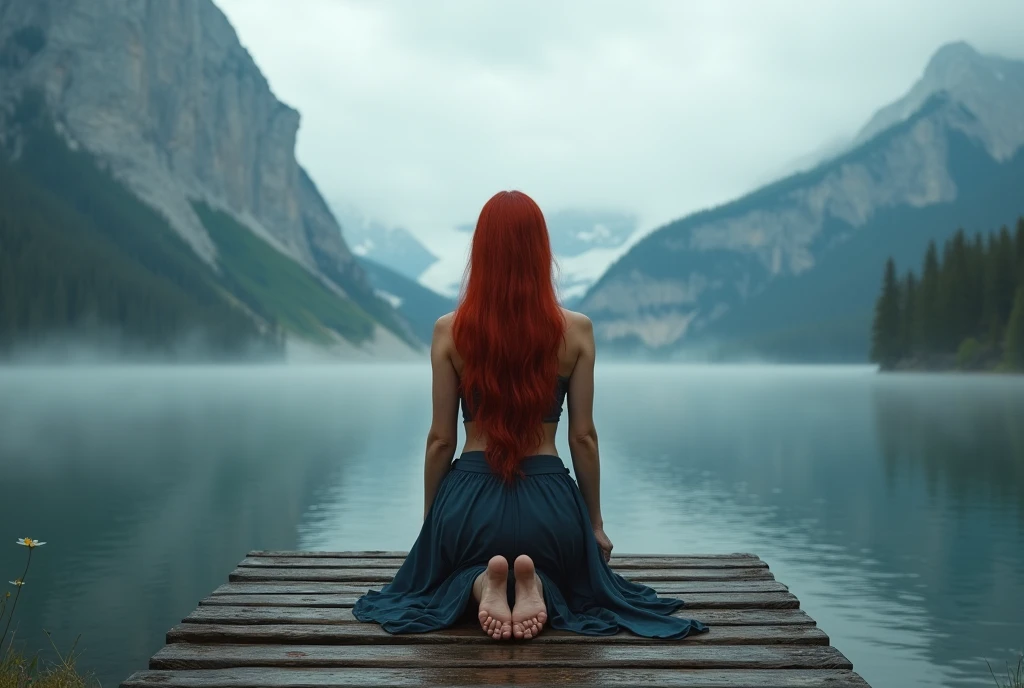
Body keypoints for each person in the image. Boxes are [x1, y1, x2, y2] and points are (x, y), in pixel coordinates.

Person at [353, 190, 709, 641]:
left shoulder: (449, 331)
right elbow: (584, 438)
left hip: (469, 506)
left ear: (480, 253)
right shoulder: (576, 331)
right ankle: (536, 581)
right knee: (572, 580)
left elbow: (440, 440)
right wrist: (595, 525)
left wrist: (434, 524)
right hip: (550, 508)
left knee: (453, 572)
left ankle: (484, 583)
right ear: (541, 252)